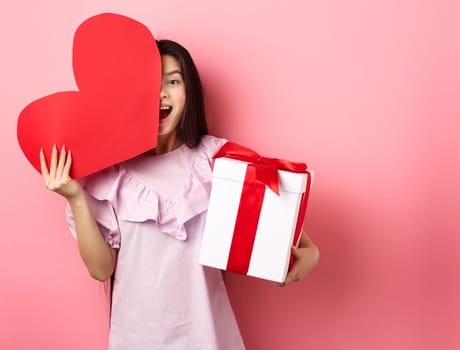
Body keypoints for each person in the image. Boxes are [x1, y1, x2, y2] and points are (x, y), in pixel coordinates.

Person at [39, 39, 320, 349]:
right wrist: (75, 198)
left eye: (172, 81)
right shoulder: (109, 175)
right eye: (151, 82)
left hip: (208, 335)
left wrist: (310, 254)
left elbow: (286, 231)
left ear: (189, 92)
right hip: (136, 337)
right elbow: (101, 269)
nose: (161, 93)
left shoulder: (219, 159)